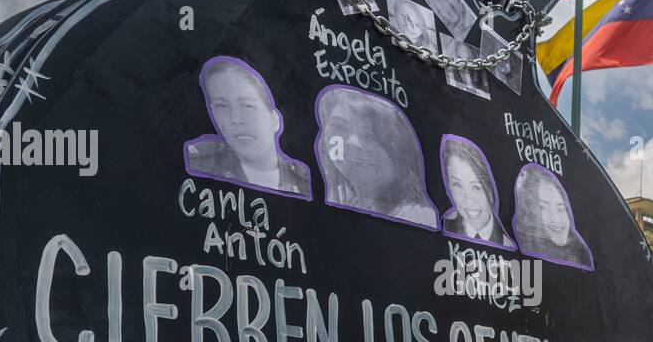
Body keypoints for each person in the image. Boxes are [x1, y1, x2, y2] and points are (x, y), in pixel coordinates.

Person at [184, 56, 310, 197]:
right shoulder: (198, 163)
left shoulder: (305, 183)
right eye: (222, 106)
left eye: (248, 106)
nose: (235, 119)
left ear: (274, 120)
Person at [314, 86, 437, 228]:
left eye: (368, 135)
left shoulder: (419, 217)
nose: (353, 142)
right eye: (339, 127)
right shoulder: (347, 200)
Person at [440, 136, 514, 249]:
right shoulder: (443, 227)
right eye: (457, 185)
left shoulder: (510, 242)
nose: (467, 199)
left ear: (491, 189)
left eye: (476, 187)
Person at [514, 164, 593, 269]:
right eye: (543, 208)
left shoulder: (582, 258)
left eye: (561, 209)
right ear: (530, 212)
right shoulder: (522, 263)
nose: (556, 219)